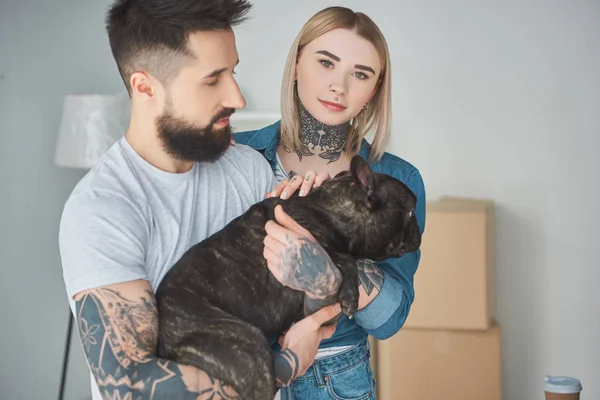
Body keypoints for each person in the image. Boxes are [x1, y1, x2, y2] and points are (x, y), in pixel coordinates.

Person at [58, 0, 342, 399]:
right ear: (145, 87)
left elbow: (311, 312)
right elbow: (132, 386)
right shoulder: (102, 210)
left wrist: (320, 247)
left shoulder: (248, 170)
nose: (238, 97)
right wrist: (284, 367)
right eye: (213, 80)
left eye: (234, 71)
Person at [234, 6, 427, 399]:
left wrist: (323, 246)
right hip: (237, 373)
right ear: (296, 65)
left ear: (374, 90)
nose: (339, 86)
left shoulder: (400, 181)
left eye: (360, 73)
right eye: (326, 63)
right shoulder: (236, 154)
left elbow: (389, 321)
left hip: (334, 380)